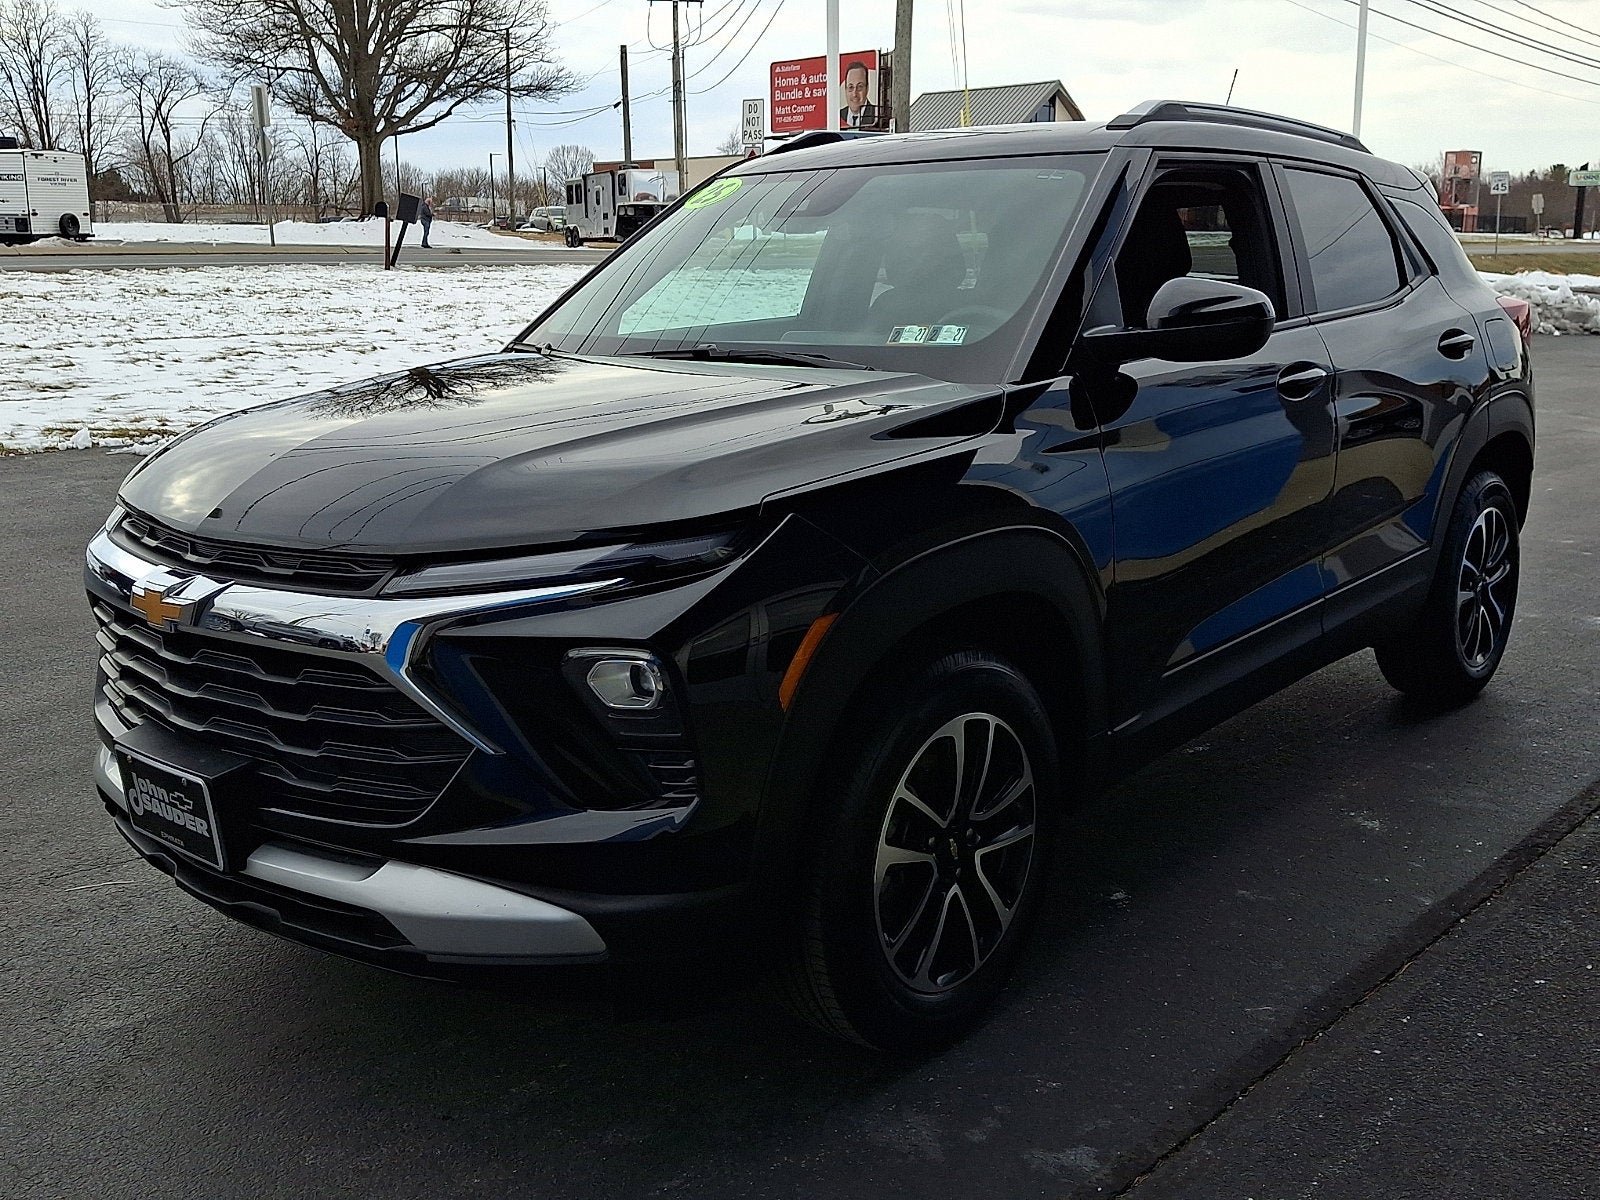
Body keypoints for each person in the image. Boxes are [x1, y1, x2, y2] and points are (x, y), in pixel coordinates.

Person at [839, 61, 879, 129]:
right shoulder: (839, 115)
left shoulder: (876, 113)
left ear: (867, 88)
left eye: (860, 87)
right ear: (845, 89)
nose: (855, 94)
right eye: (851, 87)